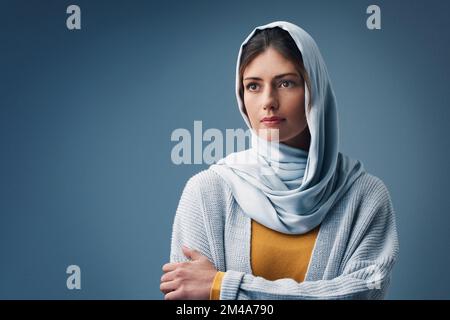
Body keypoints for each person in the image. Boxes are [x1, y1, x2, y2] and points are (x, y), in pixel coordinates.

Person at [160, 21, 399, 300]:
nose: (268, 101)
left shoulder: (365, 197)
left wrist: (223, 289)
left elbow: (364, 293)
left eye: (286, 83)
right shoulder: (207, 192)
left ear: (314, 89)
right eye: (253, 86)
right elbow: (189, 303)